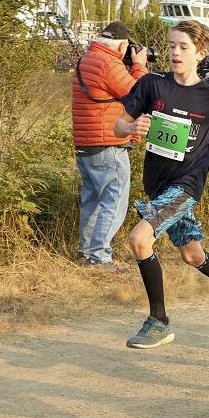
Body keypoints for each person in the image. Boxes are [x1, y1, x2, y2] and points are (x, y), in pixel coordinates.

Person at [114, 19, 209, 348]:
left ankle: (158, 320)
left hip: (187, 186)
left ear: (201, 53)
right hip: (157, 185)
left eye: (183, 47)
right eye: (172, 45)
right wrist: (132, 130)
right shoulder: (151, 84)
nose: (175, 52)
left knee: (139, 239)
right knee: (191, 254)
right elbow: (119, 126)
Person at [71, 22, 148, 270]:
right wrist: (139, 65)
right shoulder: (107, 63)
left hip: (87, 141)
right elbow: (139, 93)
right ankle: (98, 256)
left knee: (93, 198)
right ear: (123, 45)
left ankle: (87, 253)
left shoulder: (88, 58)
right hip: (107, 142)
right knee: (113, 200)